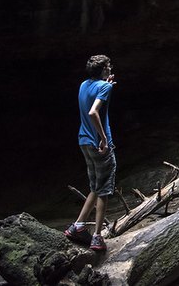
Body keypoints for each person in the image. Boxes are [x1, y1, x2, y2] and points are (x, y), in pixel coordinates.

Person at [64, 54, 117, 251]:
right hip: (99, 145)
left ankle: (77, 226)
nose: (111, 67)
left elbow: (93, 94)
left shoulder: (84, 84)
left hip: (84, 142)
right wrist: (103, 139)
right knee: (104, 191)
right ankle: (97, 236)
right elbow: (93, 112)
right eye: (108, 66)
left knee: (96, 186)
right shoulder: (105, 87)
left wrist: (106, 84)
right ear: (103, 69)